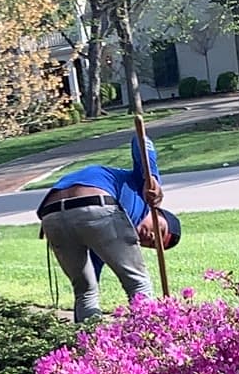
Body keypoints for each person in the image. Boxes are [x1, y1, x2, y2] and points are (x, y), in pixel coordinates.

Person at [36, 136, 181, 324]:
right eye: (159, 231)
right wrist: (151, 176)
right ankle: (152, 341)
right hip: (93, 203)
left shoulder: (108, 237)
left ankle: (89, 345)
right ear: (157, 213)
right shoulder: (145, 191)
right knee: (139, 283)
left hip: (52, 214)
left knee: (85, 290)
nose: (150, 237)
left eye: (151, 244)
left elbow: (92, 272)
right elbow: (141, 139)